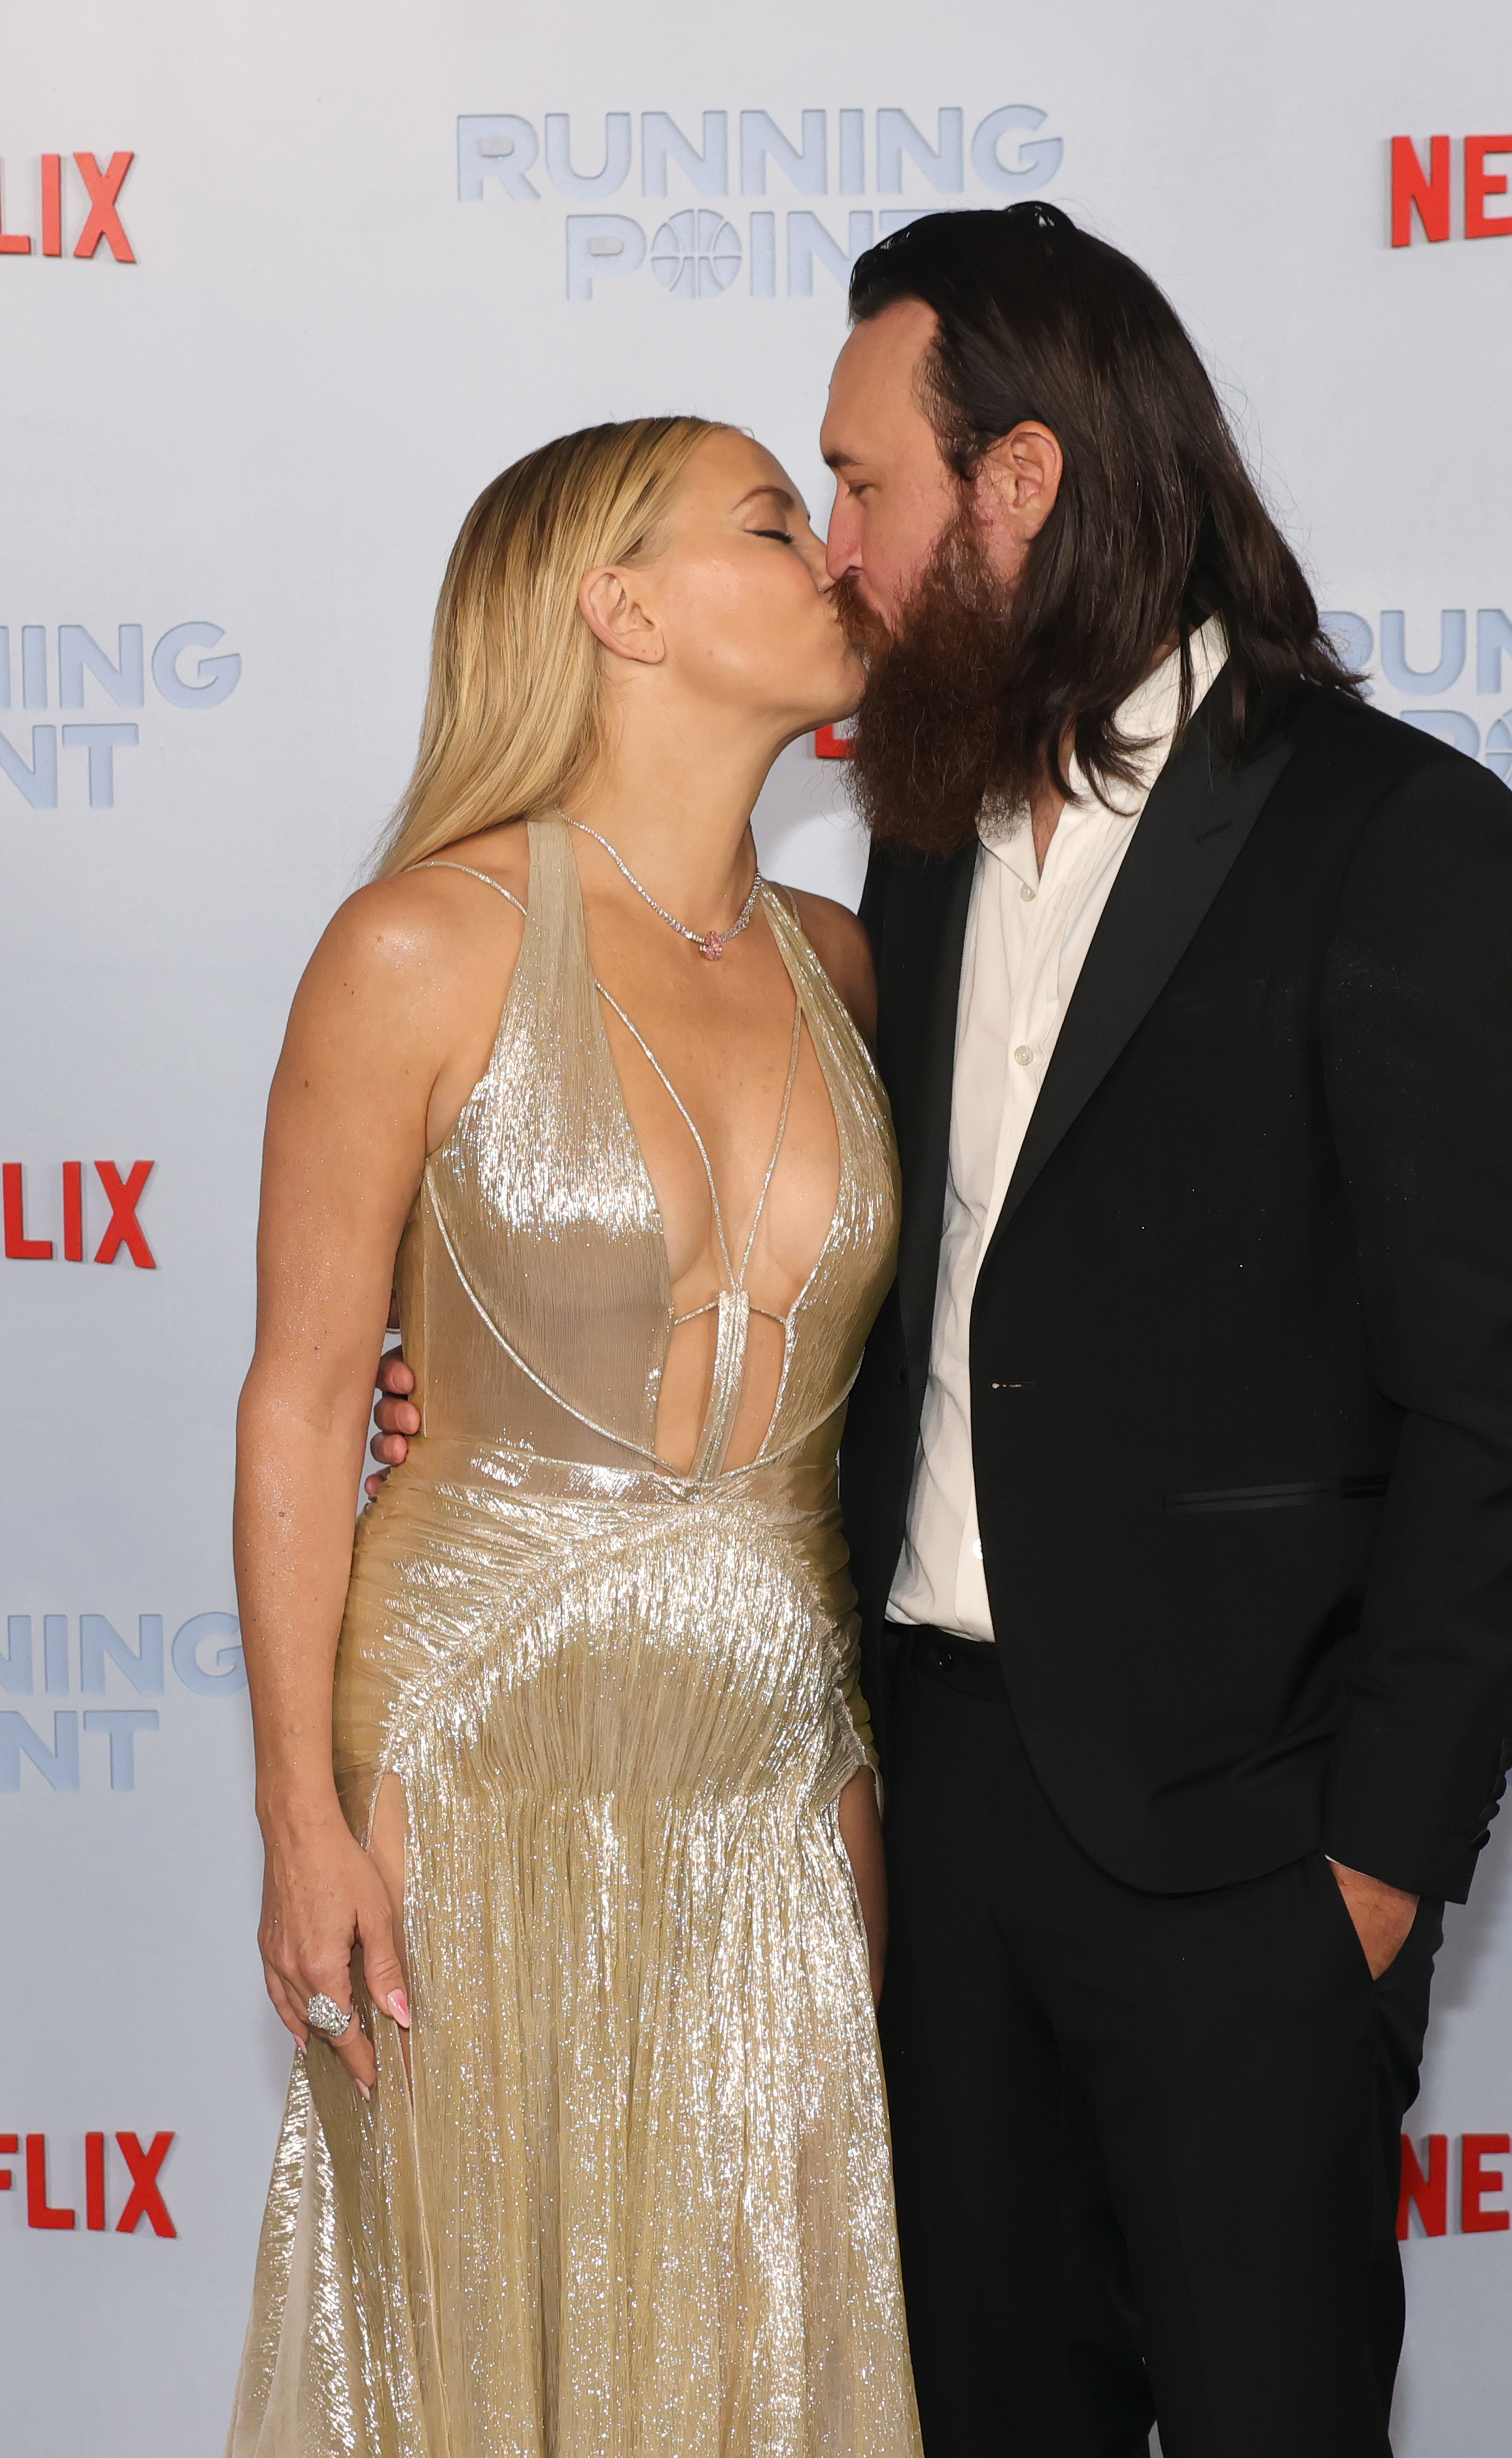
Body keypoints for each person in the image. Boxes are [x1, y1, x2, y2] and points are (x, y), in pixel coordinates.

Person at [366, 209, 1512, 2454]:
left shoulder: (1393, 835)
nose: (841, 551)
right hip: (918, 1823)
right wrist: (480, 1368)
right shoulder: (902, 858)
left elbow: (1492, 1419)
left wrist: (1369, 1890)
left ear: (1013, 483)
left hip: (1246, 1859)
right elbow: (790, 1260)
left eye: (863, 485)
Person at [226, 416, 921, 2458]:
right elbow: (296, 1392)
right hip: (471, 1748)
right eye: (772, 523)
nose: (831, 555)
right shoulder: (418, 945)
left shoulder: (856, 965)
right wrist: (298, 1815)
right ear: (619, 608)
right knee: (469, 2353)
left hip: (783, 1771)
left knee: (764, 2353)